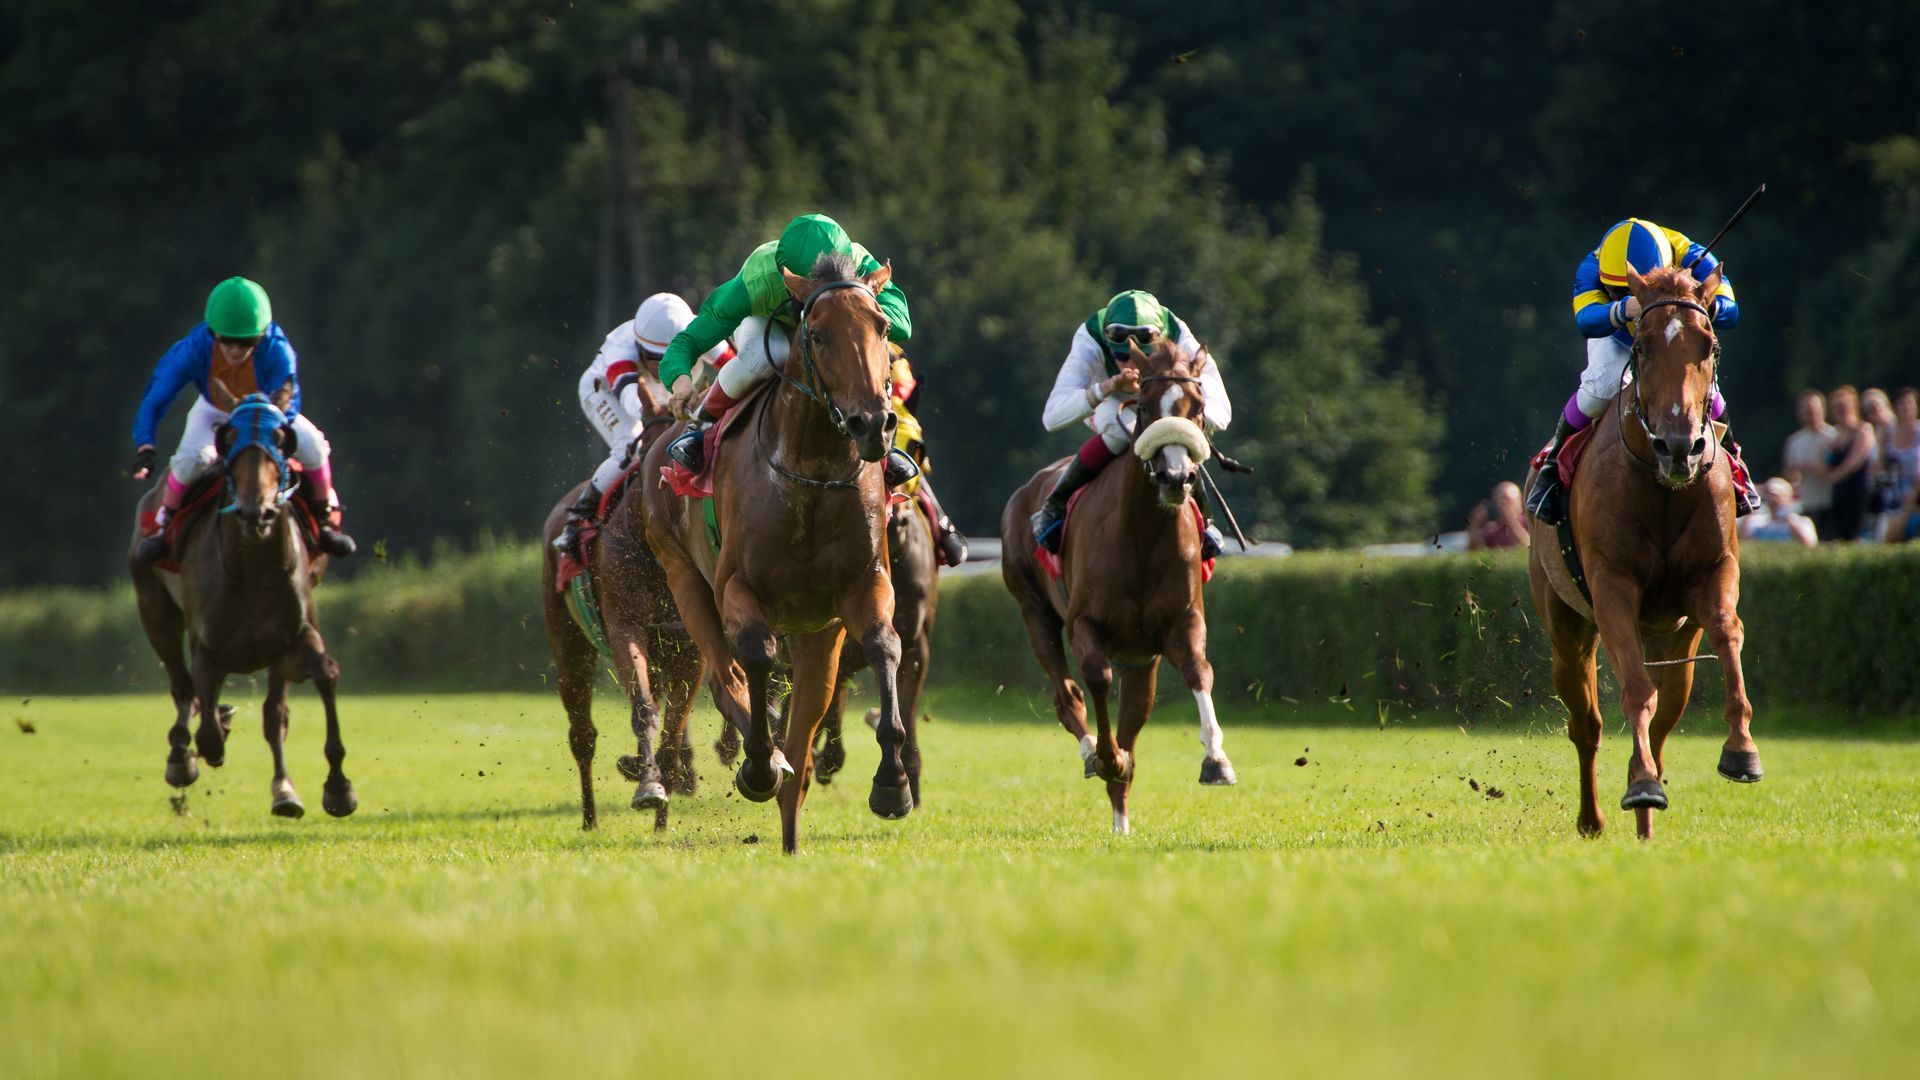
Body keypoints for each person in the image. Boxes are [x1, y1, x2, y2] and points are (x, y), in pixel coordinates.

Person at [1526, 218, 1760, 524]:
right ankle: (1552, 467)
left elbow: (1731, 311)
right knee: (1602, 386)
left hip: (1672, 334)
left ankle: (1735, 465)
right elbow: (1586, 320)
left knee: (1709, 389)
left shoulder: (1690, 252)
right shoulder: (1591, 266)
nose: (1625, 292)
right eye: (1616, 289)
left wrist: (1702, 305)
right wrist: (1624, 308)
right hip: (1617, 335)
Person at [659, 213, 915, 489]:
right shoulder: (757, 280)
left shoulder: (861, 263)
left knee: (862, 341)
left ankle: (883, 440)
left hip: (831, 331)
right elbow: (688, 342)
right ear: (789, 280)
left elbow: (902, 325)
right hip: (769, 326)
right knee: (772, 352)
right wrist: (681, 380)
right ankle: (701, 426)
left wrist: (859, 312)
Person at [130, 277, 355, 563]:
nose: (236, 350)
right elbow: (156, 396)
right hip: (214, 410)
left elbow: (289, 401)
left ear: (262, 336)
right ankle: (164, 527)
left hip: (268, 411)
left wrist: (262, 430)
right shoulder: (193, 350)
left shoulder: (278, 350)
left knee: (313, 445)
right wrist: (145, 444)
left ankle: (325, 521)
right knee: (190, 462)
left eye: (247, 342)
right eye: (227, 341)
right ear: (212, 333)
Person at [1030, 290, 1231, 558]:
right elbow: (1052, 417)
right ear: (1105, 335)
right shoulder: (1089, 337)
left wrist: (1189, 423)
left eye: (1136, 352)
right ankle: (1055, 504)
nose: (1126, 361)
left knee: (1177, 436)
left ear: (1159, 337)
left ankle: (1205, 522)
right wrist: (1106, 387)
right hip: (1108, 400)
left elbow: (1221, 408)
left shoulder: (1180, 335)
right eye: (1119, 350)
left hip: (1160, 401)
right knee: (1121, 430)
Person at [551, 293, 731, 555]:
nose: (669, 365)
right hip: (604, 390)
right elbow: (633, 401)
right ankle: (575, 523)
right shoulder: (621, 351)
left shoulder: (701, 333)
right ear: (641, 351)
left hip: (667, 396)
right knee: (630, 444)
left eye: (679, 355)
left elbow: (740, 366)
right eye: (660, 360)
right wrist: (659, 415)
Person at [885, 344, 970, 567]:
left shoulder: (894, 352)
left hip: (891, 402)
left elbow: (901, 327)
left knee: (904, 455)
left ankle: (943, 526)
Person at [1823, 385, 1877, 541]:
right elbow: (1825, 460)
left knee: (1853, 534)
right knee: (1839, 535)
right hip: (1839, 492)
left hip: (1858, 491)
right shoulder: (1836, 435)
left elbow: (1855, 462)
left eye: (1844, 406)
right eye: (1837, 407)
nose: (1840, 410)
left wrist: (1833, 477)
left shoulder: (1863, 430)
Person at [1782, 390, 1836, 535]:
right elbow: (1789, 475)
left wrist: (1814, 468)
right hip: (1807, 502)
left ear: (1822, 410)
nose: (1809, 413)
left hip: (1830, 501)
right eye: (1805, 409)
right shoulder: (1795, 441)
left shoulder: (1833, 437)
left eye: (1812, 409)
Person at [1876, 387, 1920, 542]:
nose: (1906, 407)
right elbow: (1879, 466)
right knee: (1889, 537)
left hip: (1916, 490)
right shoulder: (1887, 433)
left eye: (1909, 403)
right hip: (1894, 491)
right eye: (1902, 404)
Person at [1738, 477, 1818, 547]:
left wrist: (1788, 517)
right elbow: (1742, 541)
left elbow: (1810, 544)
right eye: (1769, 494)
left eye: (1778, 495)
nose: (1773, 500)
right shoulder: (1757, 522)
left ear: (1789, 497)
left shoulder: (1801, 522)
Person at [1466, 481, 1530, 550]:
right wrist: (1474, 526)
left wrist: (1511, 523)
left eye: (1506, 501)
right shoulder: (1491, 530)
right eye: (1497, 501)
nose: (1501, 506)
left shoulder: (1530, 522)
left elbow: (1529, 548)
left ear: (1519, 501)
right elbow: (1473, 553)